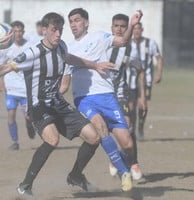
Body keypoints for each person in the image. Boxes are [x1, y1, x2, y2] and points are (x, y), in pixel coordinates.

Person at [0, 12, 114, 197]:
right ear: (44, 30)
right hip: (38, 107)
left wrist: (94, 65)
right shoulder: (32, 53)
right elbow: (3, 68)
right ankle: (25, 185)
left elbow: (70, 59)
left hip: (57, 103)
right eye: (54, 30)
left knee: (94, 137)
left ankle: (75, 175)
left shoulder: (61, 46)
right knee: (53, 140)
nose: (58, 35)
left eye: (60, 30)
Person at [60, 8, 143, 190]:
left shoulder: (98, 37)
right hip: (84, 99)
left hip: (107, 96)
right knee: (101, 128)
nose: (74, 24)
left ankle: (121, 164)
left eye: (77, 20)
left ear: (86, 22)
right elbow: (65, 84)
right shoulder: (67, 50)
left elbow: (123, 41)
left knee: (127, 144)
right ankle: (124, 173)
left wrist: (132, 25)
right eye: (71, 21)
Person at [106, 14, 146, 180]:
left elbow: (140, 69)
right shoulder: (103, 44)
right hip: (102, 95)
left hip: (121, 94)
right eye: (116, 26)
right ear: (112, 27)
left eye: (123, 26)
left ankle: (130, 162)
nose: (120, 29)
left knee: (127, 129)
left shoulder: (130, 49)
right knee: (103, 132)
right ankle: (115, 158)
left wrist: (142, 96)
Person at [0, 20, 36, 150]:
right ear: (11, 32)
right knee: (11, 114)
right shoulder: (6, 47)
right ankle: (15, 142)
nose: (18, 34)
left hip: (25, 89)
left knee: (28, 116)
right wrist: (0, 81)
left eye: (20, 31)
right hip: (11, 88)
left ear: (23, 32)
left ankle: (29, 125)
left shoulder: (30, 46)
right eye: (15, 31)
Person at [131, 22, 163, 140]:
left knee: (142, 105)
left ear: (142, 30)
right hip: (130, 81)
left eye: (138, 29)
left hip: (146, 81)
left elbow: (159, 58)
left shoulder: (150, 43)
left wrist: (159, 74)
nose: (136, 31)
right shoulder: (127, 43)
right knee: (131, 106)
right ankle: (132, 128)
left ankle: (140, 127)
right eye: (134, 29)